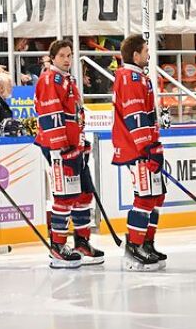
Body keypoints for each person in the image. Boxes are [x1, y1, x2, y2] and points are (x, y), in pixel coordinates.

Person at [35, 39, 103, 268]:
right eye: (62, 55)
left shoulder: (68, 80)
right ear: (52, 58)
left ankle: (81, 242)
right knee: (64, 196)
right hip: (60, 149)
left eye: (70, 55)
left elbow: (76, 115)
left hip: (74, 147)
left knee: (84, 193)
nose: (67, 59)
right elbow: (50, 115)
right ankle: (57, 247)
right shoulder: (49, 79)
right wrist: (62, 147)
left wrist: (81, 143)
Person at [112, 35, 166, 271]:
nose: (148, 55)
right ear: (135, 55)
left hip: (145, 146)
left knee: (156, 196)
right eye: (145, 51)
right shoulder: (130, 77)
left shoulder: (138, 77)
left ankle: (146, 242)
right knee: (144, 197)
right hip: (137, 148)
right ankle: (133, 248)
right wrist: (147, 147)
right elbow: (135, 116)